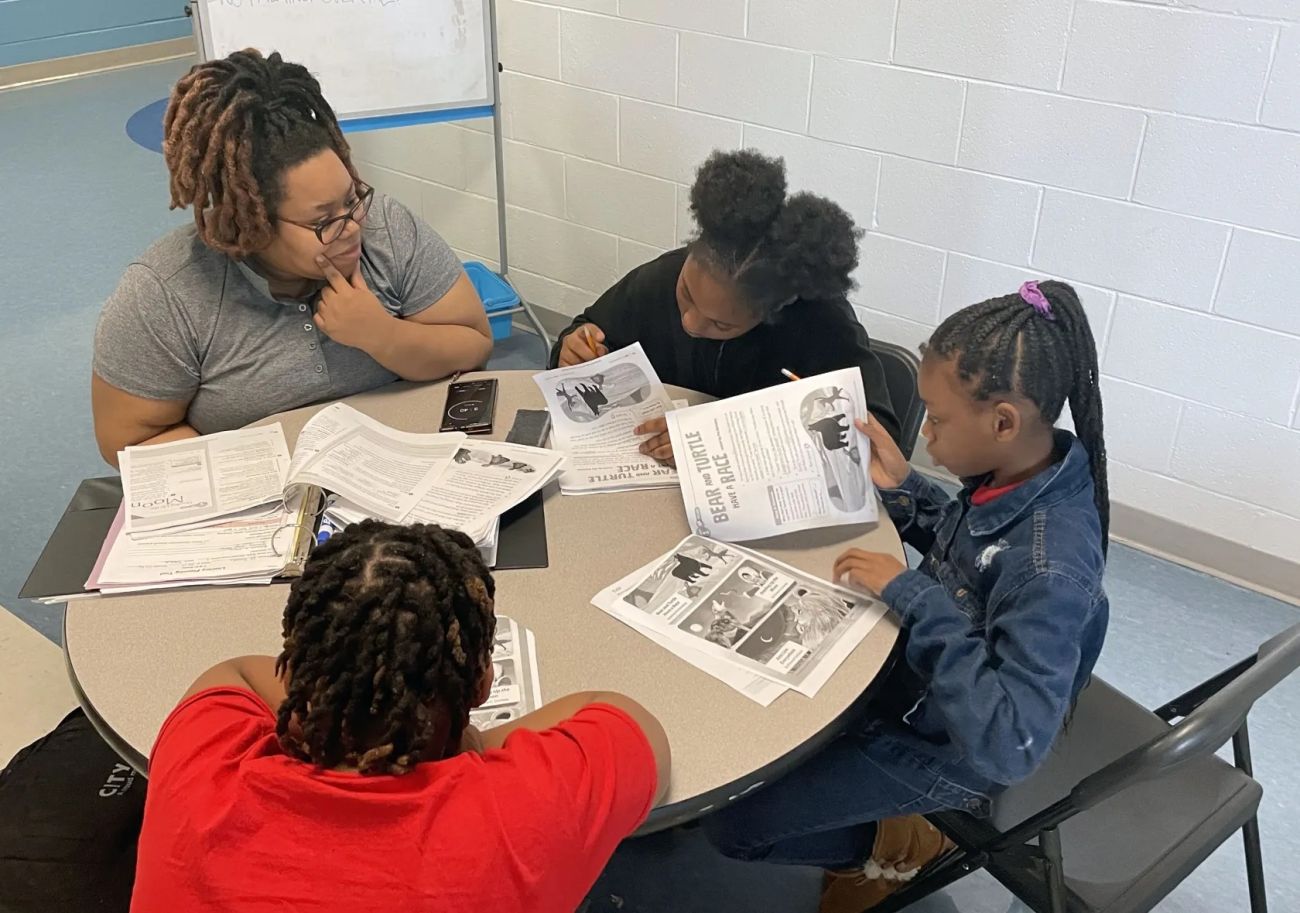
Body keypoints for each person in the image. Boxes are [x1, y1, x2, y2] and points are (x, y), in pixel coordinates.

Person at [704, 281, 1110, 913]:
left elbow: (1008, 744)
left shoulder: (1050, 566)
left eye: (939, 421)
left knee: (733, 827)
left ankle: (902, 845)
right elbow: (969, 557)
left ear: (1003, 421)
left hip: (949, 749)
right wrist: (906, 488)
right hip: (916, 687)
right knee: (736, 718)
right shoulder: (1023, 469)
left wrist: (915, 597)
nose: (929, 436)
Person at [130, 520, 670, 913]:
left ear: (293, 673)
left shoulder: (198, 764)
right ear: (482, 683)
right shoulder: (523, 811)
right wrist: (476, 747)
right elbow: (627, 719)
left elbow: (237, 673)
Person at [92, 50, 493, 467]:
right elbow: (129, 440)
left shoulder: (386, 228)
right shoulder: (166, 292)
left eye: (353, 199)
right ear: (252, 222)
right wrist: (261, 471)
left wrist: (383, 336)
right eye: (323, 221)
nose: (353, 226)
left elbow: (474, 345)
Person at [548, 149, 900, 465]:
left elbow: (875, 433)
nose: (689, 322)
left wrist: (725, 437)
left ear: (774, 310)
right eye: (686, 294)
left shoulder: (819, 323)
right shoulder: (662, 278)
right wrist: (573, 347)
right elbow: (588, 328)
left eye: (721, 326)